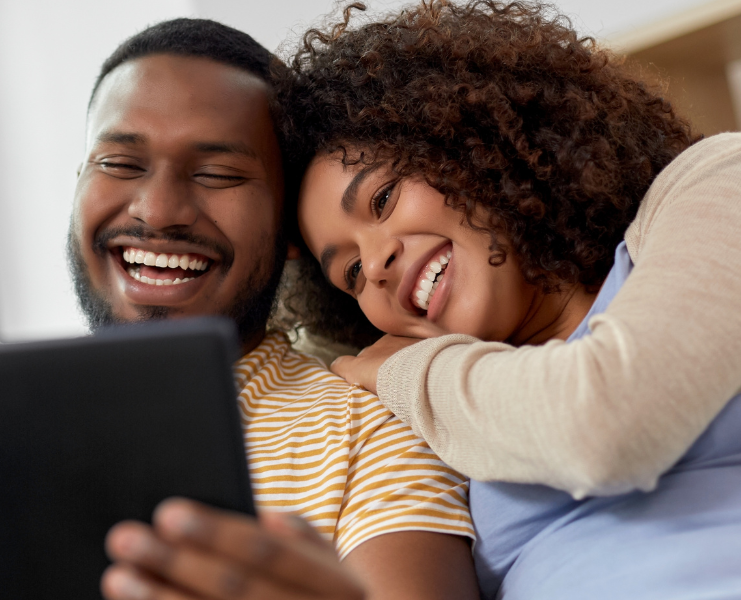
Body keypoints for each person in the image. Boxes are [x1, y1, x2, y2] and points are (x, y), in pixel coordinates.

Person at [281, 1, 741, 598]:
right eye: (348, 273)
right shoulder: (438, 420)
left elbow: (610, 423)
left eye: (383, 198)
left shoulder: (732, 180)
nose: (374, 265)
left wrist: (408, 368)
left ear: (472, 141)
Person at [71, 18, 479, 600]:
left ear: (291, 229)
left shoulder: (371, 431)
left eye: (217, 174)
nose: (157, 210)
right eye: (118, 163)